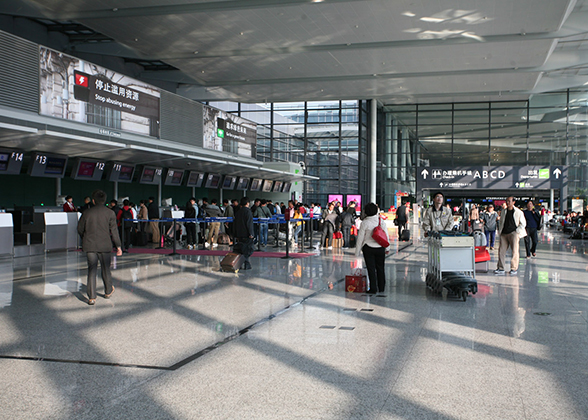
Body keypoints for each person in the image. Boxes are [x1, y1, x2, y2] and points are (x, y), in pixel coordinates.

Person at [77, 189, 122, 306]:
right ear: (104, 200)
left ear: (93, 200)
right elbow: (114, 231)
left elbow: (79, 229)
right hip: (105, 245)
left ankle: (91, 297)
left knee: (91, 269)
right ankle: (107, 291)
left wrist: (85, 237)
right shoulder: (110, 213)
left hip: (90, 245)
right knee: (105, 268)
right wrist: (118, 246)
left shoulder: (86, 213)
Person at [355, 203, 390, 294]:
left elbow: (360, 238)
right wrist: (387, 247)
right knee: (380, 268)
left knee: (371, 268)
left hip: (368, 248)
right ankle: (381, 287)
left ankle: (373, 288)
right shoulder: (380, 221)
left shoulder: (365, 223)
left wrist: (357, 252)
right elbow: (385, 235)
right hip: (380, 248)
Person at [495, 196, 527, 275]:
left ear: (513, 202)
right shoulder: (503, 211)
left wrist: (517, 231)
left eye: (509, 201)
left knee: (515, 251)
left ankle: (514, 268)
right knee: (501, 251)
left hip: (513, 233)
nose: (507, 203)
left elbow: (523, 223)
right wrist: (500, 231)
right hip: (504, 233)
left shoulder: (518, 212)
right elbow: (501, 222)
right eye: (507, 201)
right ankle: (501, 268)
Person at [233, 196, 254, 270]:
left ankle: (241, 264)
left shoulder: (238, 212)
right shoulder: (248, 212)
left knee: (241, 249)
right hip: (246, 234)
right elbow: (249, 224)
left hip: (239, 234)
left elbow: (235, 223)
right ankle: (246, 264)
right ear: (248, 203)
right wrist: (251, 233)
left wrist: (235, 234)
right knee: (248, 249)